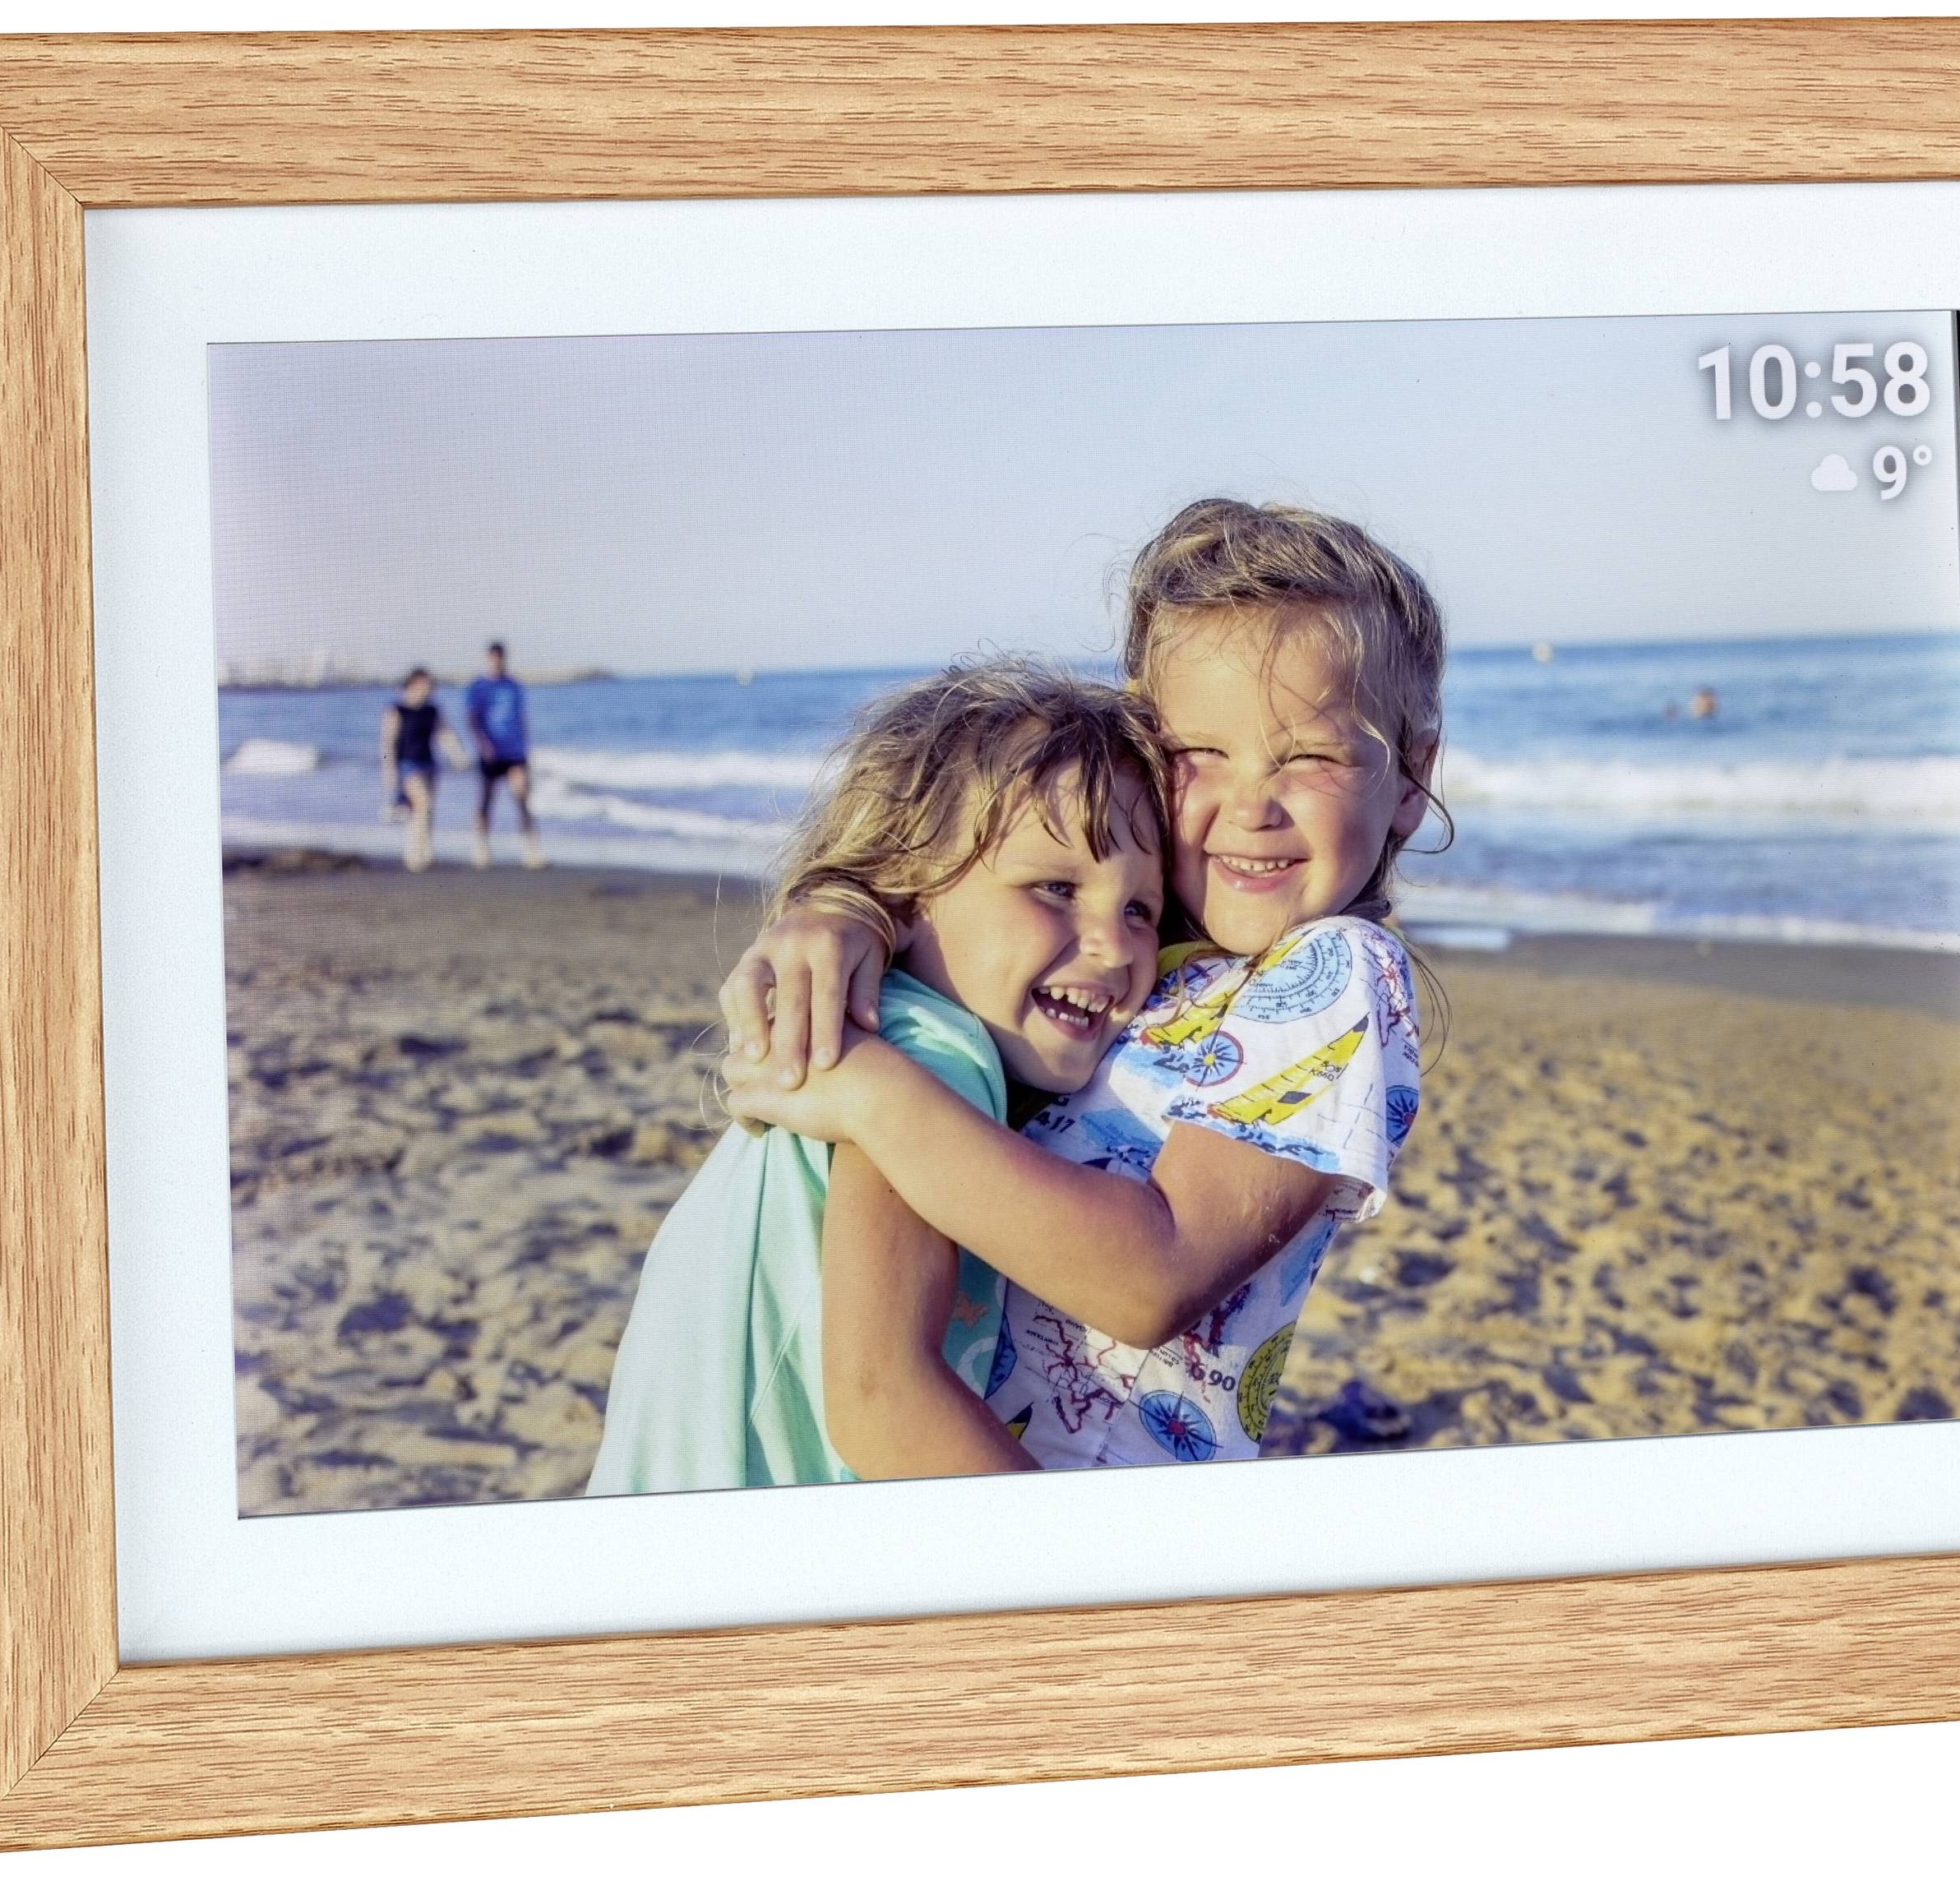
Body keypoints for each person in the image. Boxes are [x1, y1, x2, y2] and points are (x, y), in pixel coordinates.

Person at [723, 498, 1440, 1471]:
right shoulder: (1131, 957)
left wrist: (870, 1091)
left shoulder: (1338, 972)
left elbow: (1153, 1276)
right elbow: (981, 892)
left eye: (1310, 755)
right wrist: (850, 912)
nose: (1252, 807)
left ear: (1410, 775)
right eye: (1198, 756)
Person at [587, 660, 1171, 1494]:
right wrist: (1105, 1586)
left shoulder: (890, 1030)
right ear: (906, 886)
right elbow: (882, 1398)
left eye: (1140, 909)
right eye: (1055, 887)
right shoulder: (927, 1052)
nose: (1114, 947)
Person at [377, 668, 469, 873]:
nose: (428, 688)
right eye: (424, 684)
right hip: (407, 766)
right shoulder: (396, 710)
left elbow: (445, 734)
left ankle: (424, 851)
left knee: (425, 811)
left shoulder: (432, 710)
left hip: (429, 765)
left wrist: (459, 757)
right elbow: (387, 743)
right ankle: (413, 854)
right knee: (422, 805)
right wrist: (388, 770)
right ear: (412, 684)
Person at [464, 640, 543, 870]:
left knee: (522, 798)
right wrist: (483, 744)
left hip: (515, 752)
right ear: (488, 659)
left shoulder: (514, 686)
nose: (497, 662)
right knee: (486, 801)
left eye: (500, 658)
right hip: (491, 752)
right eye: (493, 658)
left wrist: (527, 747)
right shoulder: (478, 687)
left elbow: (522, 718)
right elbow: (472, 720)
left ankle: (531, 852)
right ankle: (481, 850)